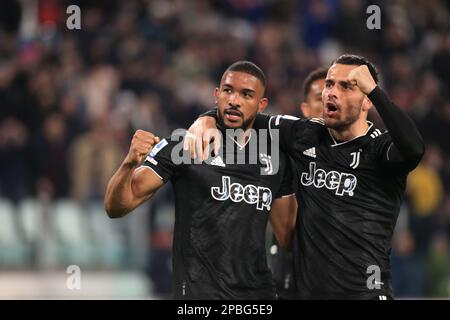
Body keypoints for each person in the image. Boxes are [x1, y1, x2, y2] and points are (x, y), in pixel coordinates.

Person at [187, 54, 425, 299]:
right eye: (330, 84)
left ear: (366, 101)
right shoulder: (306, 135)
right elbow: (243, 115)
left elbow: (414, 148)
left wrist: (375, 91)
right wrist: (207, 118)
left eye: (346, 87)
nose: (331, 92)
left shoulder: (381, 149)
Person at [104, 61, 297, 299]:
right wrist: (129, 163)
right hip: (199, 294)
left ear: (262, 105)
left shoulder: (275, 158)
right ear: (216, 95)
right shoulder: (183, 146)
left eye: (246, 94)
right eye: (228, 91)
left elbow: (288, 236)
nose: (234, 100)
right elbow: (116, 207)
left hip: (258, 295)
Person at [269, 66, 328, 300]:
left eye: (334, 94)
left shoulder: (361, 154)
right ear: (304, 109)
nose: (328, 101)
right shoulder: (287, 152)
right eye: (320, 97)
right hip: (292, 265)